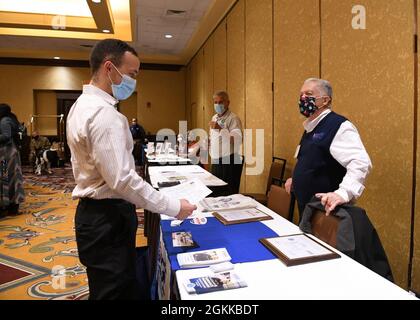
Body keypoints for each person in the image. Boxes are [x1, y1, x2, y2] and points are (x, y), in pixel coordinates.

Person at [66, 39, 196, 300]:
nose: (134, 81)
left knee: (106, 287)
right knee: (114, 291)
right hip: (107, 218)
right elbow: (122, 181)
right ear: (109, 68)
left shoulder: (80, 106)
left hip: (93, 216)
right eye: (132, 74)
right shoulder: (105, 115)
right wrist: (172, 206)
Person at [285, 78, 372, 219]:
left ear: (325, 100)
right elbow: (311, 161)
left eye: (309, 94)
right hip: (308, 208)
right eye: (301, 94)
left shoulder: (338, 126)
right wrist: (295, 179)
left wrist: (343, 193)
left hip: (326, 213)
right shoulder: (310, 126)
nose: (303, 98)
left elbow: (361, 162)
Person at [209, 91, 244, 194]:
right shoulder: (214, 117)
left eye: (221, 102)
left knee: (225, 193)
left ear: (228, 103)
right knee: (215, 191)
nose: (218, 105)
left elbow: (237, 140)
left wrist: (221, 129)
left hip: (228, 161)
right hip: (216, 160)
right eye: (215, 102)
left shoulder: (233, 118)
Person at [0, 104, 25, 217]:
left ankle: (8, 205)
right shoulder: (10, 119)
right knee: (12, 179)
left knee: (5, 178)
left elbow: (6, 136)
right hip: (10, 153)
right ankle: (11, 206)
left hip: (6, 154)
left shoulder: (4, 121)